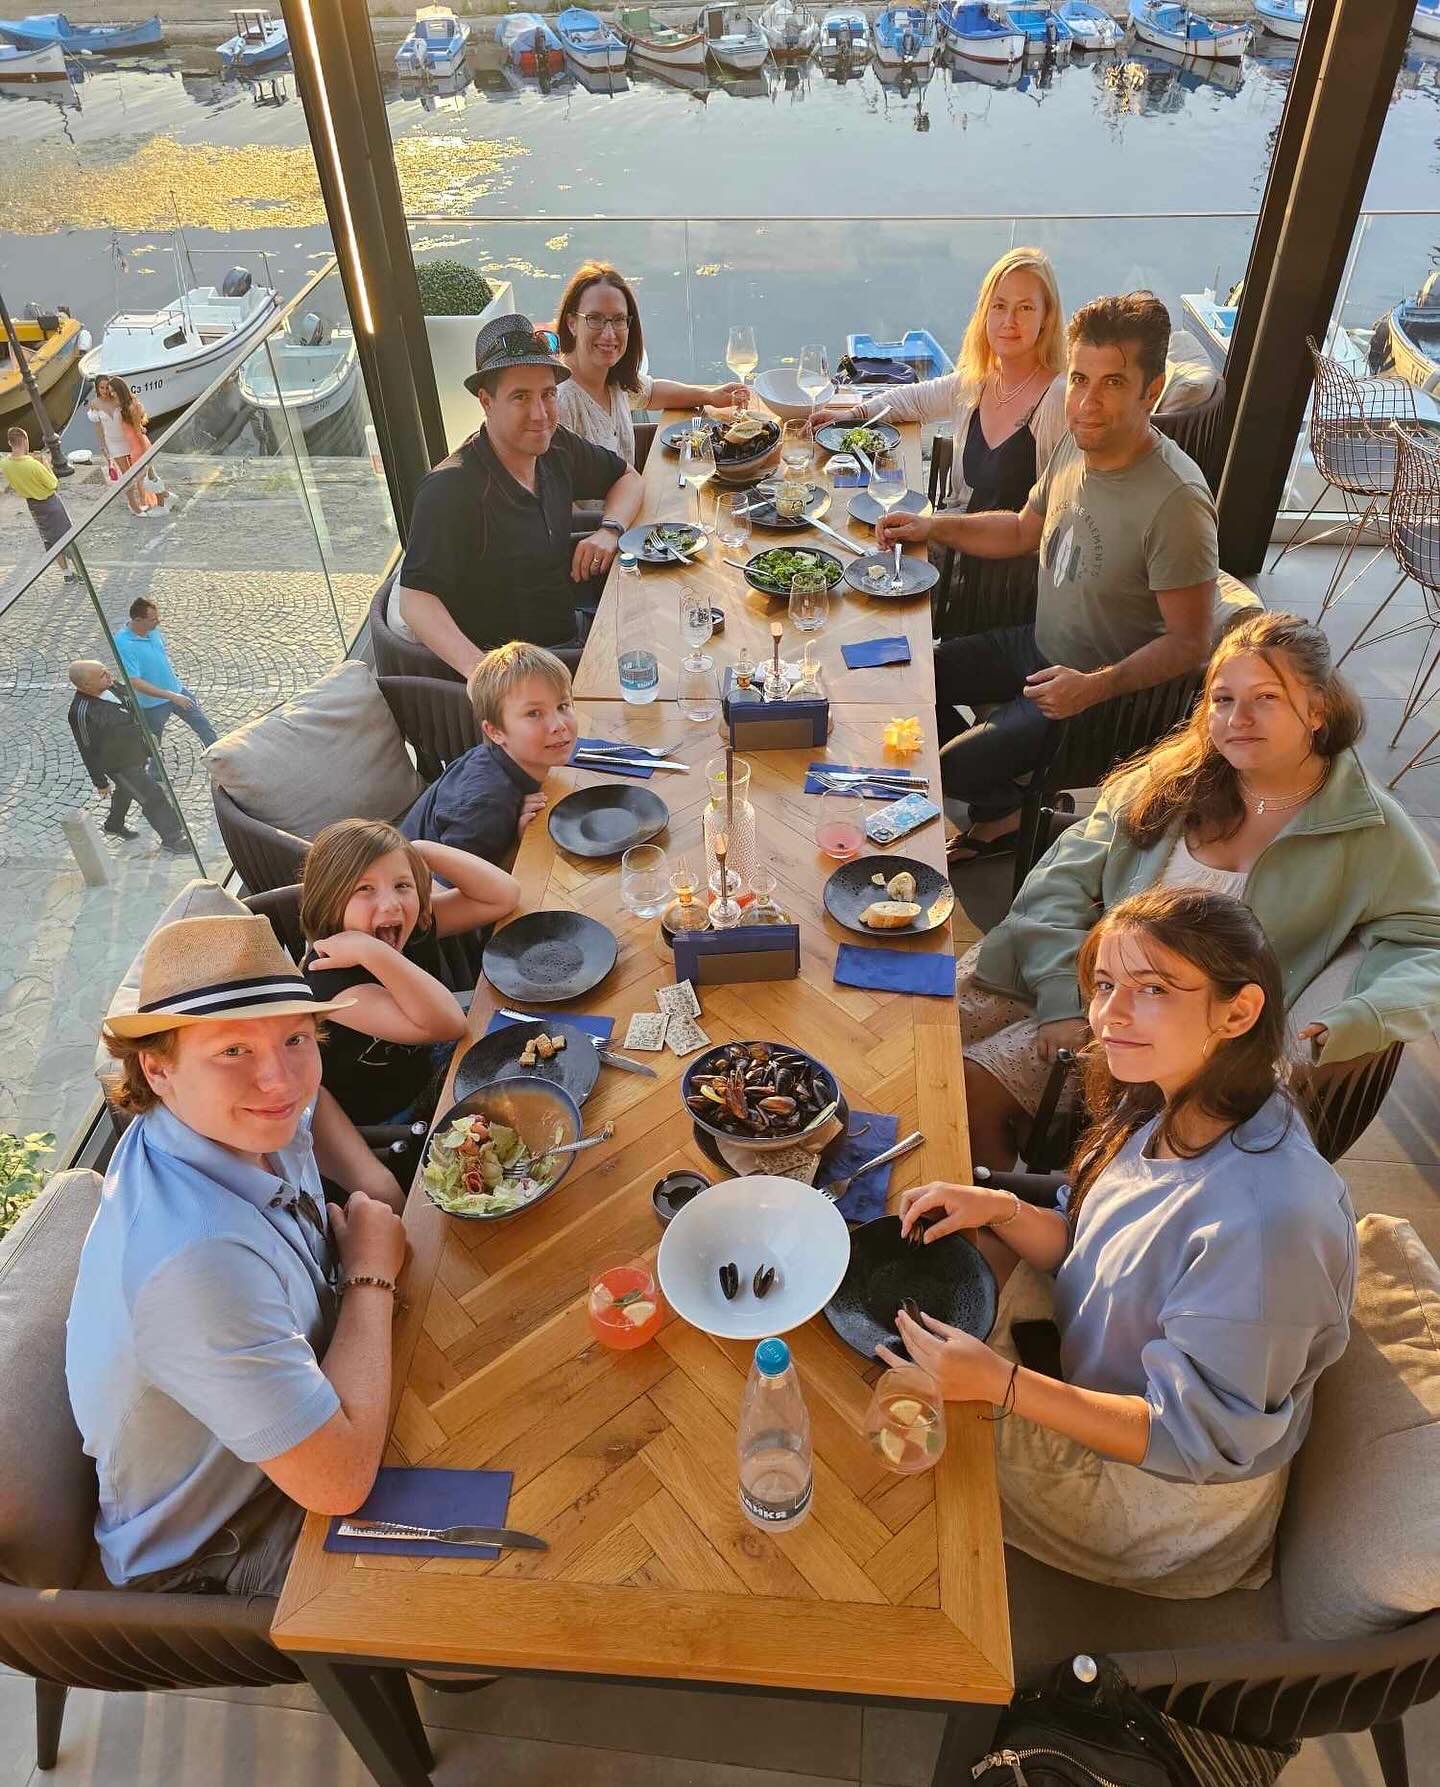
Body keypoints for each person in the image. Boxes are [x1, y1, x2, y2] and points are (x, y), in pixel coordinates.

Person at [888, 886, 1356, 1599]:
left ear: (1238, 1011)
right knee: (917, 1294)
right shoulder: (1187, 1097)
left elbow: (1190, 1436)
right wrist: (1003, 1207)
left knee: (895, 1417)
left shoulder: (1269, 1223)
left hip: (1159, 1501)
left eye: (1154, 988)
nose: (1109, 1015)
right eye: (1105, 984)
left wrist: (1000, 1384)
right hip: (1106, 1379)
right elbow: (1095, 1248)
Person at [958, 611, 1440, 1170]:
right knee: (918, 1035)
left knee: (969, 1087)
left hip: (1179, 1039)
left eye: (1266, 698)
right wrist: (1063, 996)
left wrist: (1363, 1016)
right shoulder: (1172, 776)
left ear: (1318, 710)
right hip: (1069, 972)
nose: (1239, 719)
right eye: (1222, 699)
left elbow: (1425, 939)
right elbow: (1058, 882)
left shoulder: (1369, 828)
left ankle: (997, 1217)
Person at [67, 912, 409, 1592]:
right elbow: (339, 1482)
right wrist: (371, 1272)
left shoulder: (226, 1120)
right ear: (157, 1069)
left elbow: (309, 1104)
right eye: (232, 1050)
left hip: (303, 1420)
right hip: (224, 1545)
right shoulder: (194, 1266)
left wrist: (374, 1194)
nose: (279, 1081)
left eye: (295, 1038)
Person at [878, 292, 1217, 862]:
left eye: (1113, 383)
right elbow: (1019, 529)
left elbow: (1191, 644)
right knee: (903, 678)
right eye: (1080, 379)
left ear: (1152, 391)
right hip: (1035, 645)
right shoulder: (1076, 443)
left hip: (1095, 696)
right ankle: (1003, 806)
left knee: (941, 770)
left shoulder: (1177, 503)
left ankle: (1015, 813)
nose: (1086, 402)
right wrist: (932, 526)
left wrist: (1093, 687)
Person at [395, 314, 645, 677]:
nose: (540, 414)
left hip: (575, 628)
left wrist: (610, 530)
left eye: (548, 394)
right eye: (521, 397)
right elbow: (415, 599)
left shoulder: (556, 446)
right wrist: (483, 674)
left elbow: (628, 477)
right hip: (527, 671)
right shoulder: (450, 489)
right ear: (486, 401)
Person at [814, 246, 1067, 519]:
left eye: (1025, 308)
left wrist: (933, 529)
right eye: (999, 305)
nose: (1009, 321)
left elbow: (1055, 520)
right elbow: (912, 400)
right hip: (951, 534)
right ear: (985, 312)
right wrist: (849, 417)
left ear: (1046, 317)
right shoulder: (977, 381)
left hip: (990, 545)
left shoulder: (1057, 400)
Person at [300, 817, 520, 1125]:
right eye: (365, 888)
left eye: (402, 885)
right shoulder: (328, 980)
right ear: (328, 900)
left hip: (432, 1061)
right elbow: (449, 1025)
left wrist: (419, 850)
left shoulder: (408, 925)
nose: (391, 904)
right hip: (400, 1116)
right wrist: (372, 951)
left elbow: (503, 896)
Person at [401, 641, 579, 867]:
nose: (558, 725)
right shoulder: (486, 807)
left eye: (562, 706)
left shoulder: (515, 758)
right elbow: (444, 887)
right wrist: (518, 849)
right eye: (534, 713)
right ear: (495, 731)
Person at [552, 262, 749, 462]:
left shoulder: (612, 378)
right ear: (572, 323)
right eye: (594, 318)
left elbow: (652, 392)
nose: (609, 334)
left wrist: (710, 396)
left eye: (619, 319)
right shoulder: (560, 402)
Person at [66, 658, 187, 851]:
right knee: (151, 795)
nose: (109, 676)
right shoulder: (81, 712)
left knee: (126, 790)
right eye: (102, 675)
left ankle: (113, 824)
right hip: (119, 765)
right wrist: (100, 782)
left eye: (106, 670)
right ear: (87, 685)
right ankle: (173, 838)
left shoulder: (111, 685)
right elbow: (86, 749)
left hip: (137, 753)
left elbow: (129, 704)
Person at [113, 597, 218, 752]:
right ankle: (155, 769)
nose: (158, 622)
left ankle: (219, 759)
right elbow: (134, 681)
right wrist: (171, 696)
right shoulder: (123, 643)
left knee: (205, 728)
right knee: (152, 748)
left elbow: (160, 655)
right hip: (152, 705)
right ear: (138, 620)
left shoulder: (152, 631)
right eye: (153, 620)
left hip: (177, 690)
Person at [3, 425, 78, 581]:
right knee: (67, 536)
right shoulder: (33, 465)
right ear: (25, 441)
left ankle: (66, 573)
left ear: (10, 443)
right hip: (50, 503)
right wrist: (45, 463)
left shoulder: (5, 464)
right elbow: (53, 484)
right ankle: (81, 571)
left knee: (49, 538)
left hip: (33, 505)